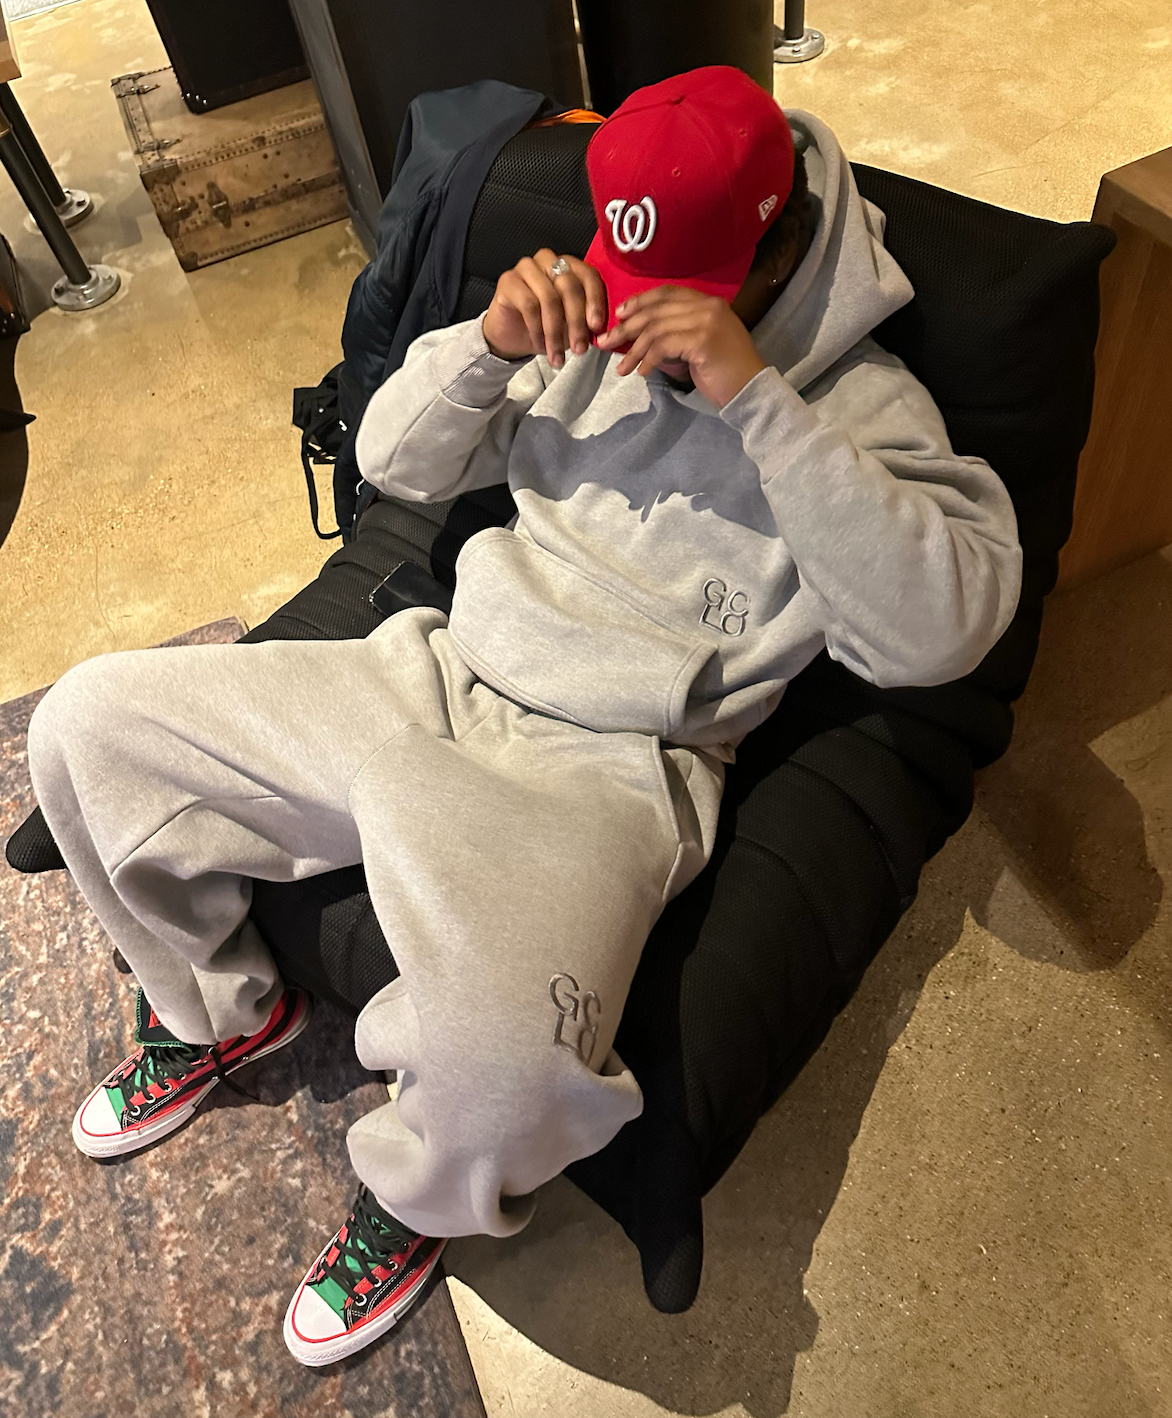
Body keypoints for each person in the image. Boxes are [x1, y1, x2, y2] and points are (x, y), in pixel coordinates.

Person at [26, 66, 1021, 1366]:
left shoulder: (868, 410)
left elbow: (941, 632)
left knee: (510, 1068)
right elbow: (391, 464)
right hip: (434, 674)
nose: (641, 317)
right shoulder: (591, 316)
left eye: (688, 290)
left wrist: (756, 397)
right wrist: (483, 349)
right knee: (86, 725)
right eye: (630, 270)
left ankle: (417, 1204)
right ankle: (218, 1007)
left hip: (610, 774)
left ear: (780, 248)